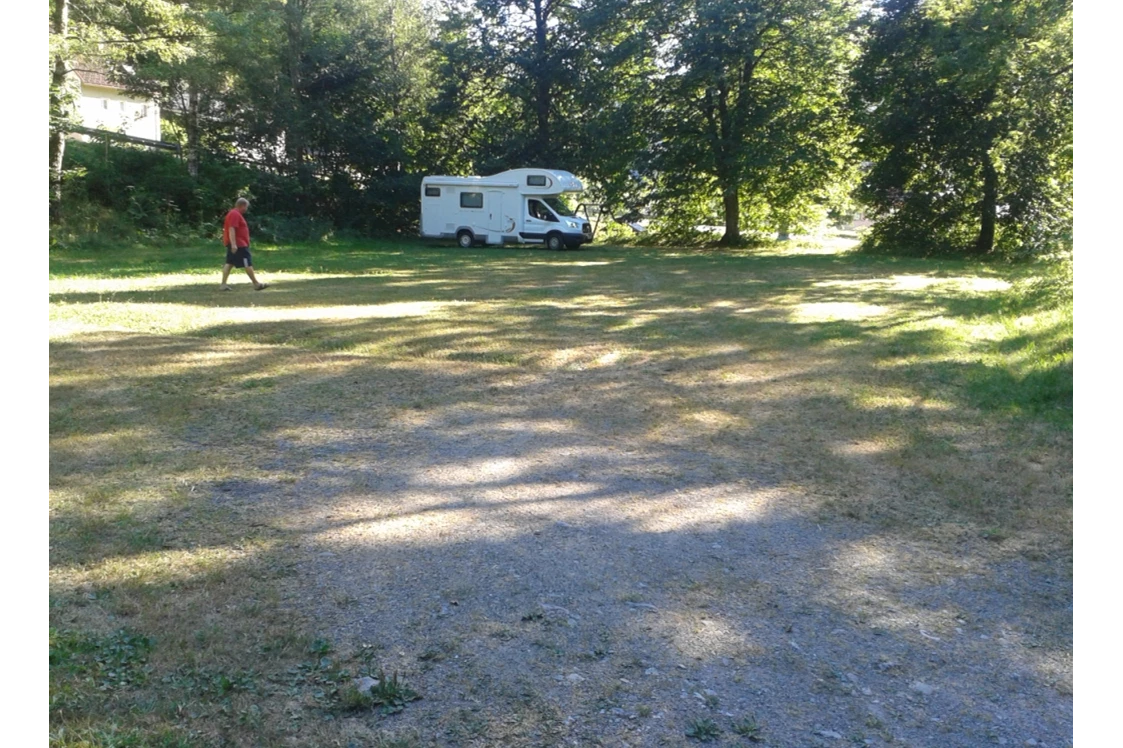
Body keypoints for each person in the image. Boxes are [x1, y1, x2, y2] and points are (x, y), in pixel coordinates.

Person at [220, 198, 267, 291]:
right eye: (246, 207)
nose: (246, 209)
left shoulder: (234, 213)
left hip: (237, 243)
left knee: (229, 263)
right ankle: (256, 284)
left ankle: (223, 285)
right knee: (247, 263)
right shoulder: (235, 214)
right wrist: (233, 244)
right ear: (242, 205)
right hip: (239, 244)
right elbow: (232, 229)